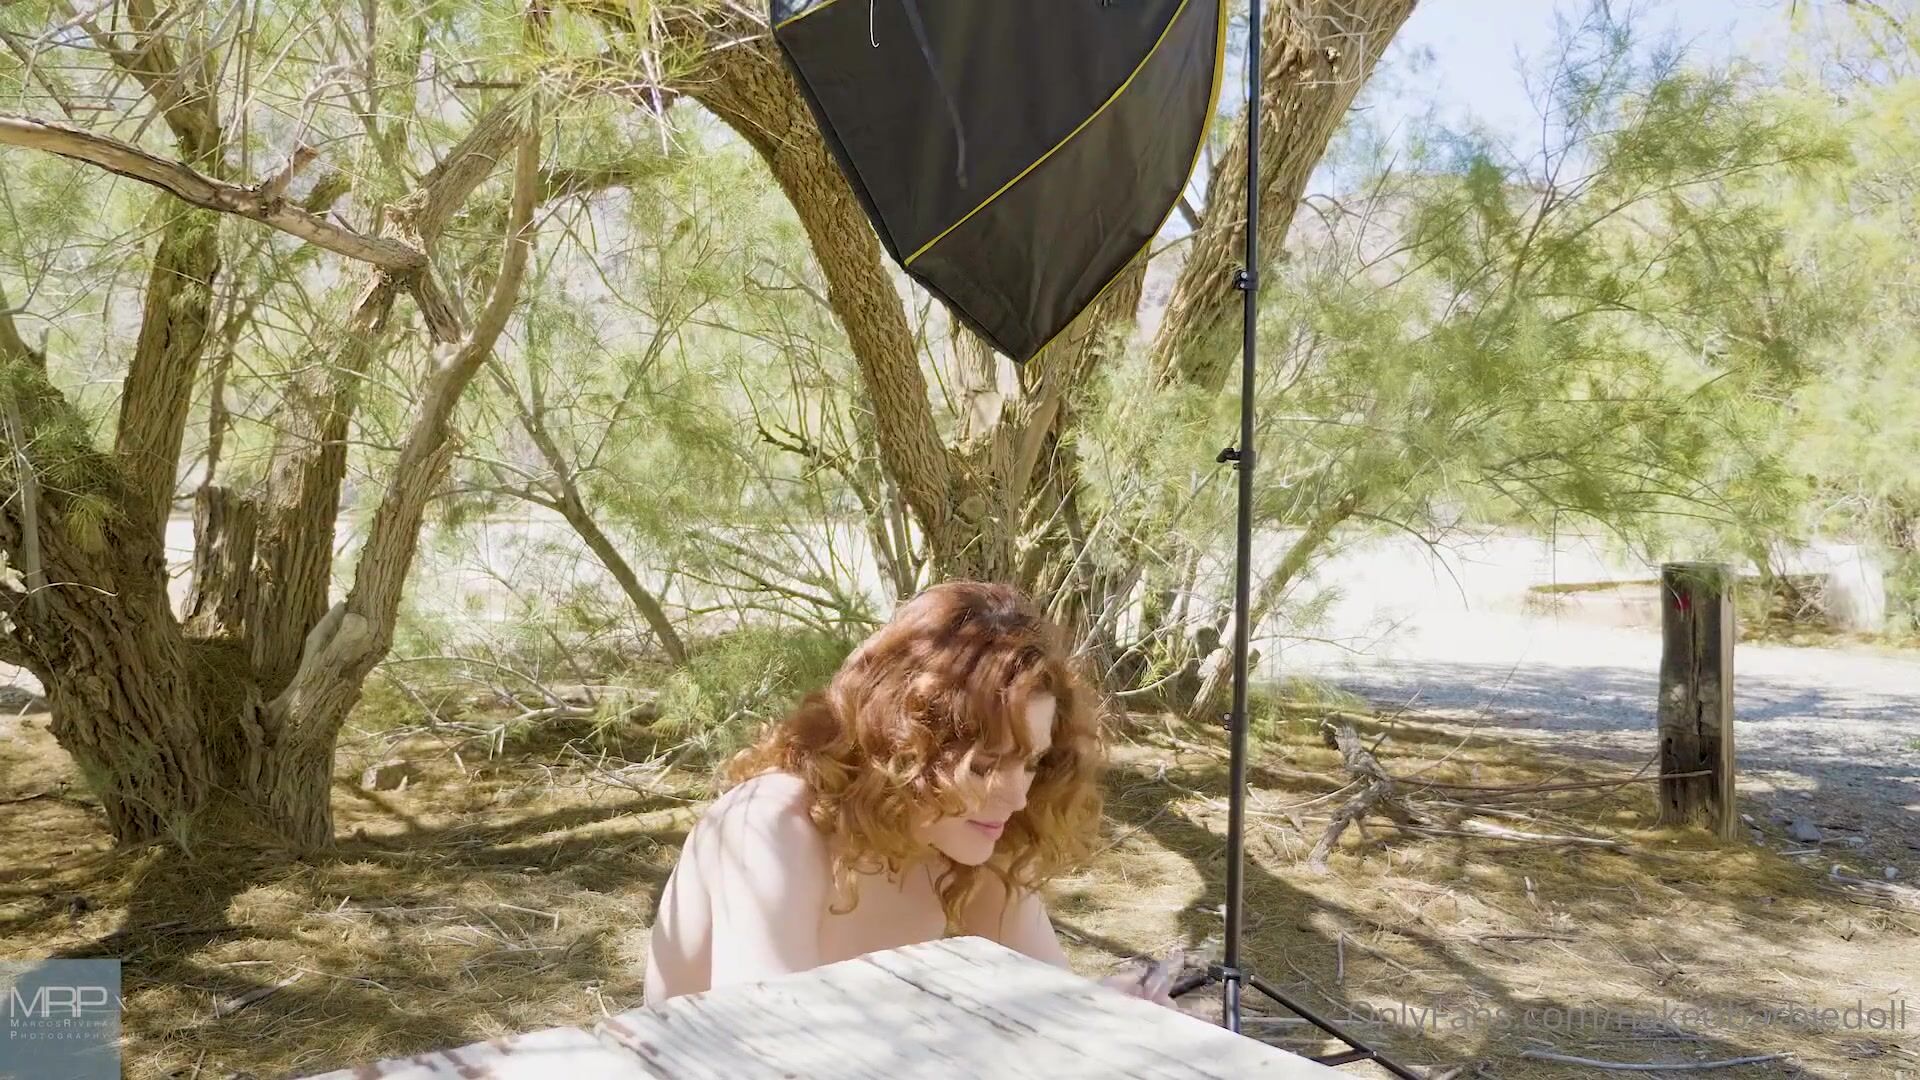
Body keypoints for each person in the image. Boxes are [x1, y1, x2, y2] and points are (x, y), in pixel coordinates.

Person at [643, 581, 1173, 1008]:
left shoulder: (965, 839)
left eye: (1031, 762)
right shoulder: (770, 824)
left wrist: (1106, 1012)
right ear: (905, 743)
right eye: (983, 766)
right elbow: (763, 1051)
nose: (1016, 799)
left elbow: (1050, 1004)